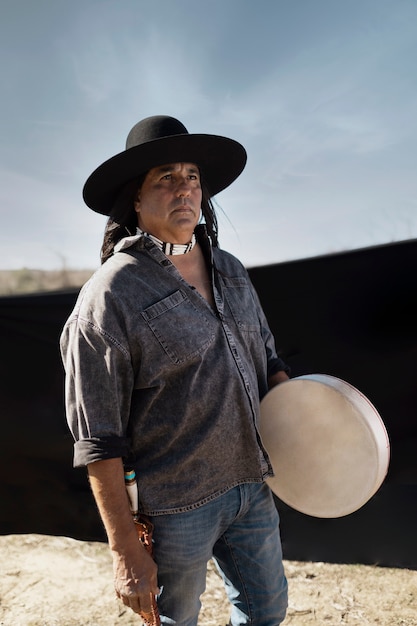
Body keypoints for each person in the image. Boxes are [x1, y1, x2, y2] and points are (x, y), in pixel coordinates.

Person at [60, 115, 290, 626]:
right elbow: (99, 438)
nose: (183, 188)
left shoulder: (229, 269)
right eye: (165, 176)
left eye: (191, 176)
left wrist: (310, 430)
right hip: (173, 509)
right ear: (135, 200)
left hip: (252, 486)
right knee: (176, 622)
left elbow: (269, 361)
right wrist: (124, 550)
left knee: (267, 613)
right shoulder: (111, 295)